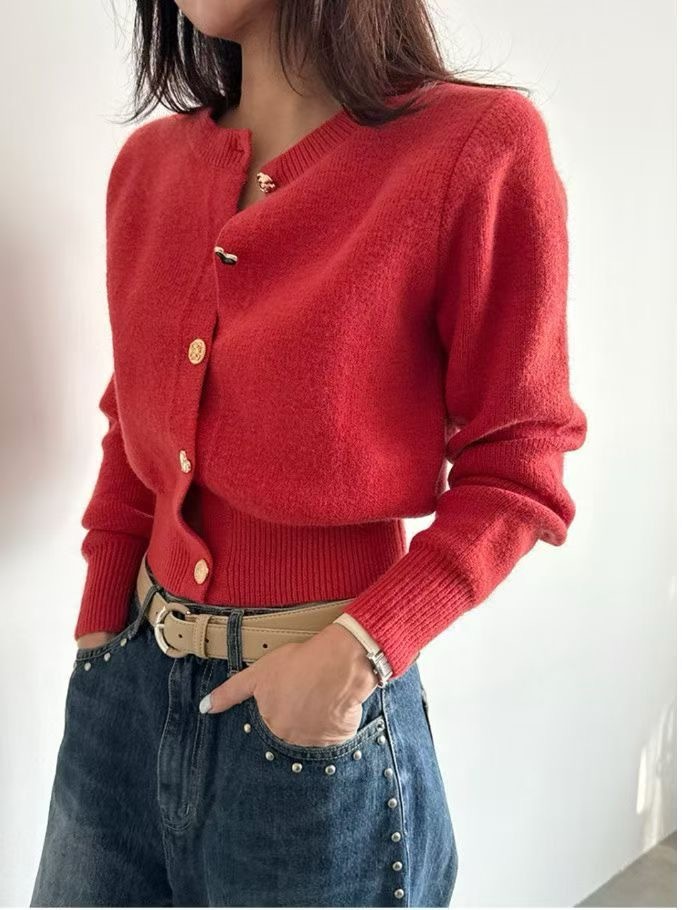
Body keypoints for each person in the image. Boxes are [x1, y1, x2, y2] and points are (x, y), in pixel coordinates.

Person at [30, 0, 588, 906]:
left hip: (312, 732)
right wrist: (102, 625)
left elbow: (521, 463)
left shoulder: (473, 147)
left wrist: (354, 657)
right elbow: (132, 424)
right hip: (123, 696)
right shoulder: (149, 168)